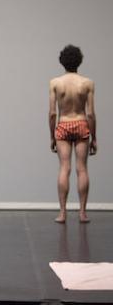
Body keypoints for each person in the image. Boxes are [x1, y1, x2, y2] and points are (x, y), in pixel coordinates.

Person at [49, 45, 97, 224]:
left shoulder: (55, 83)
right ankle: (82, 213)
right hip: (81, 123)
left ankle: (62, 213)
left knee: (64, 168)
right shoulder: (87, 83)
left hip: (63, 124)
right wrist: (94, 137)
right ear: (79, 61)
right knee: (82, 168)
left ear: (62, 61)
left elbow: (52, 113)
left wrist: (52, 136)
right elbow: (90, 113)